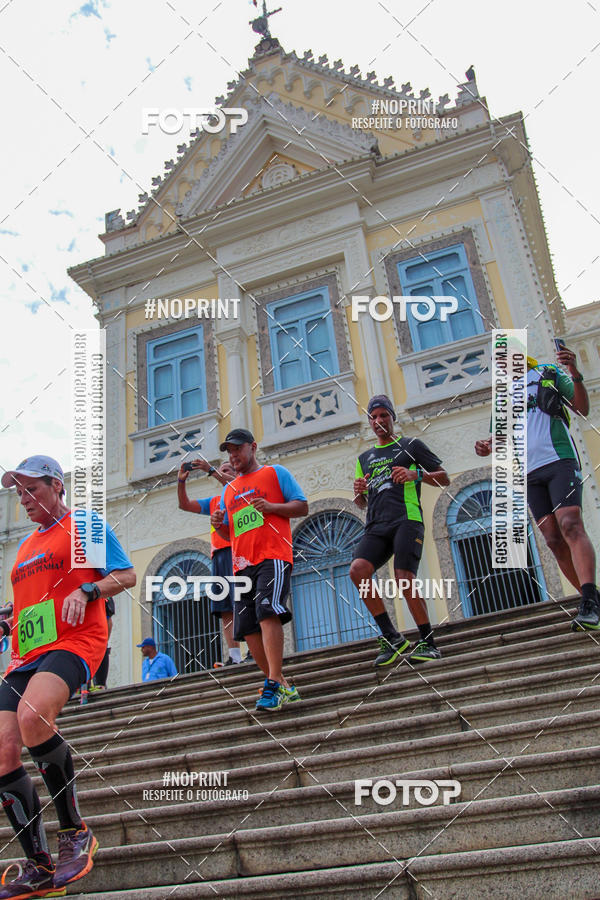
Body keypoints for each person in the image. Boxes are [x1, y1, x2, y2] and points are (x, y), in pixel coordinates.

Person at [0, 455, 136, 899]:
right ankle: (38, 864)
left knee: (33, 717)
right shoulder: (24, 548)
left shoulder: (84, 524)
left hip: (75, 642)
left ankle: (75, 832)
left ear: (57, 486)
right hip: (26, 655)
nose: (25, 499)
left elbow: (126, 574)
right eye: (19, 493)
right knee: (2, 751)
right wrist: (6, 622)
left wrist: (89, 588)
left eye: (32, 489)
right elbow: (26, 606)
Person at [475, 346, 599, 630]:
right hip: (529, 472)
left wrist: (575, 374)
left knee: (570, 524)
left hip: (559, 460)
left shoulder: (547, 373)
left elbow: (581, 408)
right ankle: (590, 602)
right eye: (497, 359)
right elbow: (500, 438)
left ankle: (590, 601)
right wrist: (486, 446)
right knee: (553, 539)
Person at [210, 429, 308, 711]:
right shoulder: (229, 491)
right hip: (242, 565)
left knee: (267, 610)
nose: (233, 455)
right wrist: (220, 525)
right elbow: (233, 535)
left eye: (238, 449)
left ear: (253, 447)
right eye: (229, 451)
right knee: (247, 628)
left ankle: (274, 684)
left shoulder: (275, 473)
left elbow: (302, 506)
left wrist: (271, 506)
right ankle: (281, 685)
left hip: (273, 555)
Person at [349, 396, 450, 666]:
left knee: (403, 577)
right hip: (376, 524)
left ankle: (428, 642)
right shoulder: (364, 457)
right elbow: (362, 502)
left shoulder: (410, 445)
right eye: (374, 417)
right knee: (357, 570)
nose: (379, 421)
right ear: (369, 422)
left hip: (407, 519)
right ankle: (392, 637)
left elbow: (444, 477)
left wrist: (415, 475)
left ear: (393, 418)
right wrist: (359, 494)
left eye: (384, 416)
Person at [177, 459, 242, 666]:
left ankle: (254, 651)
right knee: (225, 608)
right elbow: (185, 505)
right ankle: (235, 656)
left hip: (237, 551)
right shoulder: (215, 501)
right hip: (219, 556)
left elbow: (235, 484)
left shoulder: (241, 493)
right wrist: (181, 482)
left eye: (227, 470)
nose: (221, 474)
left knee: (243, 603)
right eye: (220, 469)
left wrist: (211, 470)